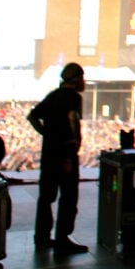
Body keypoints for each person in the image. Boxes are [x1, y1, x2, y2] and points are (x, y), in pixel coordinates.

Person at [27, 62, 89, 255]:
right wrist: (69, 157)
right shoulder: (73, 98)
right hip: (65, 155)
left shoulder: (53, 95)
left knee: (46, 197)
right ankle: (62, 239)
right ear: (77, 79)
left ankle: (42, 237)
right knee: (68, 198)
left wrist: (47, 134)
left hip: (49, 154)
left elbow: (32, 116)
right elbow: (71, 127)